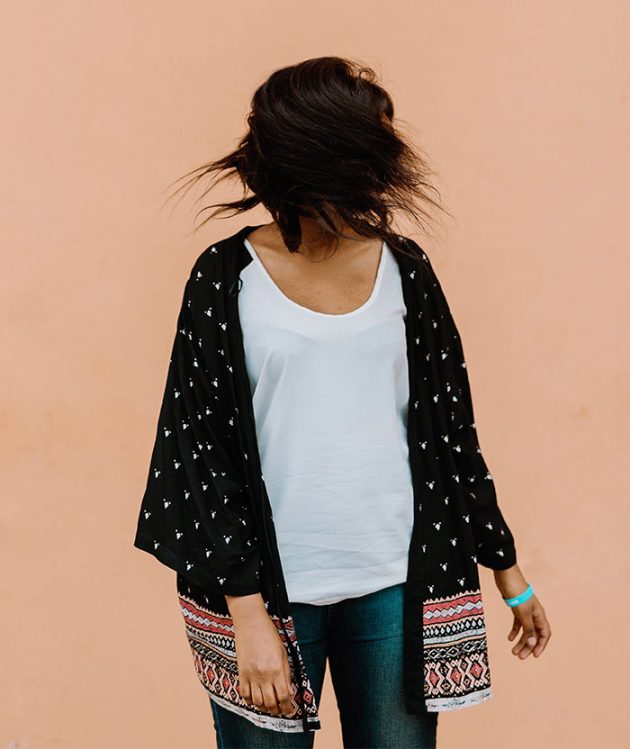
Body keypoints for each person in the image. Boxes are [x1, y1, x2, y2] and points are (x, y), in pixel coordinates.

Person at [134, 56, 551, 749]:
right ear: (324, 152)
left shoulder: (406, 270)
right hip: (265, 593)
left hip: (394, 584)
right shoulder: (224, 278)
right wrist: (246, 614)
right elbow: (197, 453)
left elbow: (451, 432)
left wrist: (507, 570)